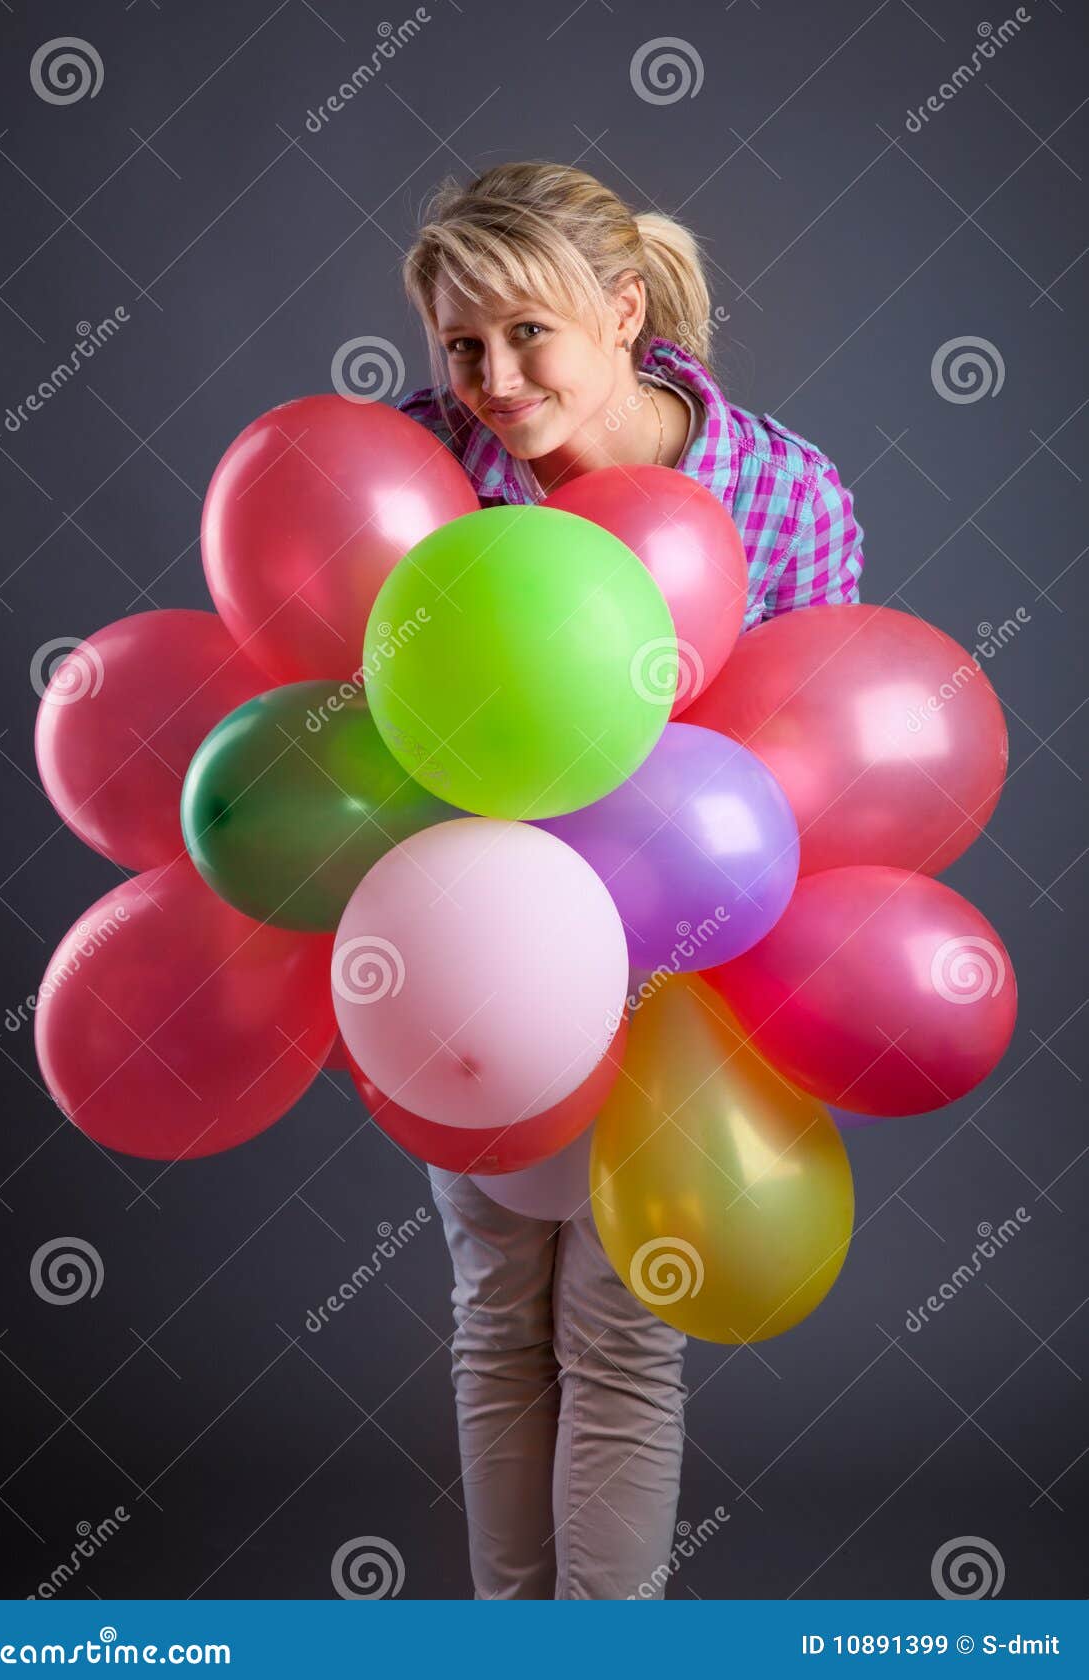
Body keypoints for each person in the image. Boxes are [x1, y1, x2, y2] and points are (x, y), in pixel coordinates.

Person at [393, 161, 865, 1601]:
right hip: (475, 934)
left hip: (685, 960)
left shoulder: (778, 491)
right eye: (462, 345)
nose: (492, 378)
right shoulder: (423, 466)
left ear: (622, 306)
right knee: (494, 1312)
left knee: (619, 1326)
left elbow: (824, 750)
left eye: (526, 333)